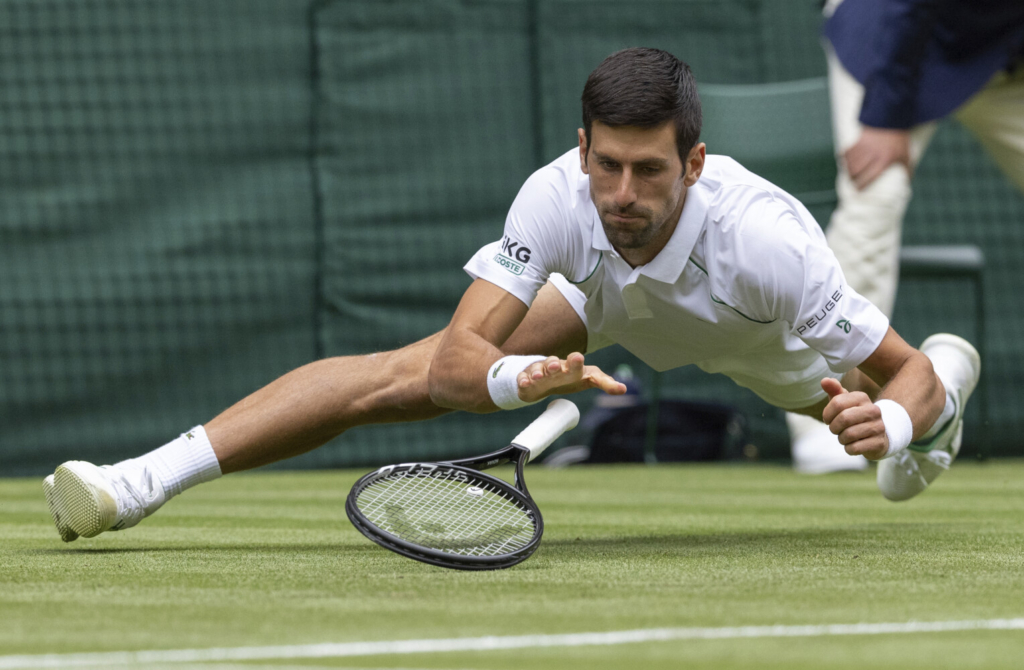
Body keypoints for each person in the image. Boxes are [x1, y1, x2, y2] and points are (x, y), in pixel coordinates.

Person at [44, 48, 980, 543]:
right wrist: (516, 378)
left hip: (770, 347)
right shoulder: (561, 200)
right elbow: (457, 361)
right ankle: (136, 486)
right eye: (604, 165)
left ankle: (941, 413)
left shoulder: (771, 241)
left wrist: (896, 423)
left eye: (649, 171)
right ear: (582, 149)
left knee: (907, 431)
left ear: (695, 163)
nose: (622, 194)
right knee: (396, 377)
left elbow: (895, 374)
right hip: (606, 302)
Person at [788, 0, 1024, 474]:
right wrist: (884, 117)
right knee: (876, 197)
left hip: (1001, 55)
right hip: (892, 31)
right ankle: (826, 418)